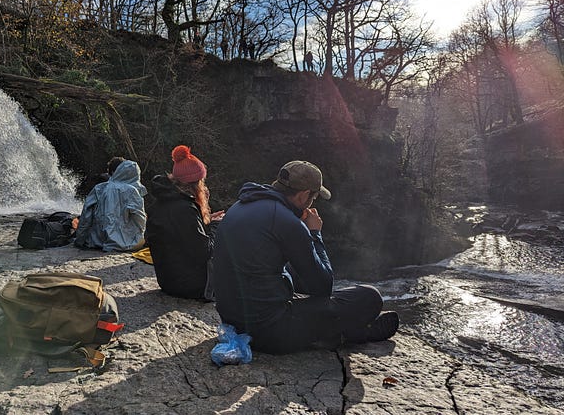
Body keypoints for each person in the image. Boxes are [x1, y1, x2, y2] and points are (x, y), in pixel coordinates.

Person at [211, 160, 399, 354]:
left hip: (233, 322)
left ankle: (342, 329)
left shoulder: (240, 205)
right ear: (303, 195)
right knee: (370, 296)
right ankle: (357, 331)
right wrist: (314, 233)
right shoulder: (289, 223)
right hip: (268, 332)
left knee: (300, 280)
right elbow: (323, 287)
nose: (312, 202)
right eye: (314, 197)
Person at [145, 145, 224, 299]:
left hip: (167, 281)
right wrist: (217, 225)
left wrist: (206, 222)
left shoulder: (159, 203)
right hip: (190, 286)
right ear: (196, 184)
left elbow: (180, 237)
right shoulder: (185, 209)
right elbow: (205, 251)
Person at [74, 158, 147, 252]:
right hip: (127, 243)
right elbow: (140, 219)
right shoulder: (133, 191)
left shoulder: (99, 188)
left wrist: (80, 240)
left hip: (98, 241)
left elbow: (86, 215)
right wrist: (140, 237)